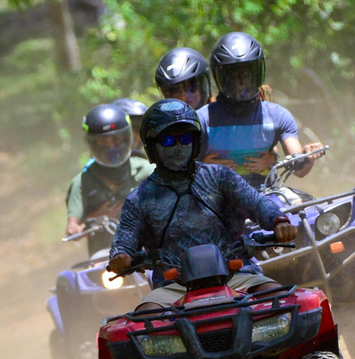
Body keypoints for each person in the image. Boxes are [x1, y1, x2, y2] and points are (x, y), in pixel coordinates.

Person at [108, 99, 297, 310]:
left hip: (237, 274)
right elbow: (124, 240)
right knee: (142, 324)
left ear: (196, 142)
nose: (179, 146)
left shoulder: (221, 176)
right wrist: (120, 255)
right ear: (152, 148)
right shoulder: (140, 198)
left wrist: (279, 221)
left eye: (185, 138)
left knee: (286, 304)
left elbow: (258, 203)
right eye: (169, 140)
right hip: (172, 288)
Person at [199, 32, 324, 190]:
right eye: (233, 76)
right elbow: (179, 171)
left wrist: (307, 158)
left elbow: (298, 168)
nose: (241, 83)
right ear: (220, 77)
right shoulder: (201, 119)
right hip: (216, 201)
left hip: (266, 199)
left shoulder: (278, 116)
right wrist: (203, 167)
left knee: (300, 205)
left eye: (246, 75)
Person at [66, 103, 154, 254]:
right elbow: (72, 227)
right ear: (92, 144)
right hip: (105, 260)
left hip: (147, 251)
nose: (111, 147)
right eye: (102, 142)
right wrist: (98, 217)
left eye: (116, 140)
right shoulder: (81, 182)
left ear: (128, 138)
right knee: (68, 278)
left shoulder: (147, 170)